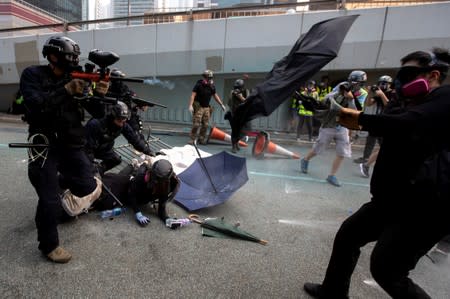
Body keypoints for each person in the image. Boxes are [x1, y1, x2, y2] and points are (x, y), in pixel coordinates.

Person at [303, 48, 450, 298]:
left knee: (387, 270)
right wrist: (326, 108)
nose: (400, 81)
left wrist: (347, 116)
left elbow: (407, 124)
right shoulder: (406, 102)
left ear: (433, 75)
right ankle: (334, 291)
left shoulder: (444, 99)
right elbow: (386, 126)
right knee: (349, 235)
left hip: (424, 207)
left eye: (408, 74)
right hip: (392, 199)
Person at [20, 36, 108, 263]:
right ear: (52, 56)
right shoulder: (32, 75)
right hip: (44, 144)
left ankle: (54, 185)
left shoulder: (76, 77)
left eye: (75, 57)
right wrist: (66, 90)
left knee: (87, 185)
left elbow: (98, 112)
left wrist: (99, 94)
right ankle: (49, 246)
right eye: (69, 56)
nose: (73, 61)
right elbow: (36, 106)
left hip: (70, 145)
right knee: (48, 200)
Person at [299, 72, 358, 187]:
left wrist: (351, 100)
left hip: (342, 126)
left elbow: (354, 112)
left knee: (342, 152)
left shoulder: (360, 93)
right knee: (318, 148)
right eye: (354, 82)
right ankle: (305, 159)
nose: (354, 85)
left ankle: (331, 175)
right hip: (329, 124)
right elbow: (326, 98)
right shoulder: (341, 87)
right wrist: (338, 95)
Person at [93, 159, 180, 226]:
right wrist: (137, 212)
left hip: (137, 193)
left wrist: (166, 219)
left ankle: (136, 165)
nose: (156, 181)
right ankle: (133, 165)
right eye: (155, 178)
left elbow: (161, 208)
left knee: (105, 202)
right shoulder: (142, 178)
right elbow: (131, 195)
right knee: (109, 184)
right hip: (127, 186)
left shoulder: (165, 187)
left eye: (159, 180)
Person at [85, 101, 154, 175]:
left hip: (104, 149)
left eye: (124, 119)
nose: (121, 123)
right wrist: (91, 167)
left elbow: (134, 139)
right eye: (119, 120)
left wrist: (148, 151)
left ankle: (99, 170)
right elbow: (88, 149)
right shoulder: (95, 124)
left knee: (116, 160)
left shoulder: (123, 124)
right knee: (87, 170)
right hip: (88, 149)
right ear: (112, 117)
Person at [353, 75, 394, 164]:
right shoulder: (378, 93)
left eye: (384, 83)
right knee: (370, 141)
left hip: (387, 121)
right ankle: (365, 158)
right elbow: (368, 104)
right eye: (381, 83)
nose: (382, 85)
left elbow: (389, 106)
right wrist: (370, 93)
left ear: (390, 84)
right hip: (377, 120)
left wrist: (382, 95)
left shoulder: (393, 93)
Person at [188, 70, 226, 144]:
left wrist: (221, 104)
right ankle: (192, 139)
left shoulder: (211, 86)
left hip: (206, 108)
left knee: (205, 125)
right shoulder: (198, 85)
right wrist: (190, 105)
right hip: (199, 107)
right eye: (208, 77)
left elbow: (215, 95)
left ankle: (201, 139)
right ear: (205, 77)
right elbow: (193, 95)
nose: (210, 79)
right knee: (196, 124)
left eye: (211, 78)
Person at [226, 78, 250, 153]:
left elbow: (248, 102)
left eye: (238, 88)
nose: (236, 89)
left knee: (243, 131)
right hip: (234, 115)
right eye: (235, 88)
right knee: (235, 131)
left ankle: (236, 142)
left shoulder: (246, 91)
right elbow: (229, 103)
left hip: (243, 115)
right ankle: (234, 145)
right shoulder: (232, 92)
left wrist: (241, 97)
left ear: (242, 87)